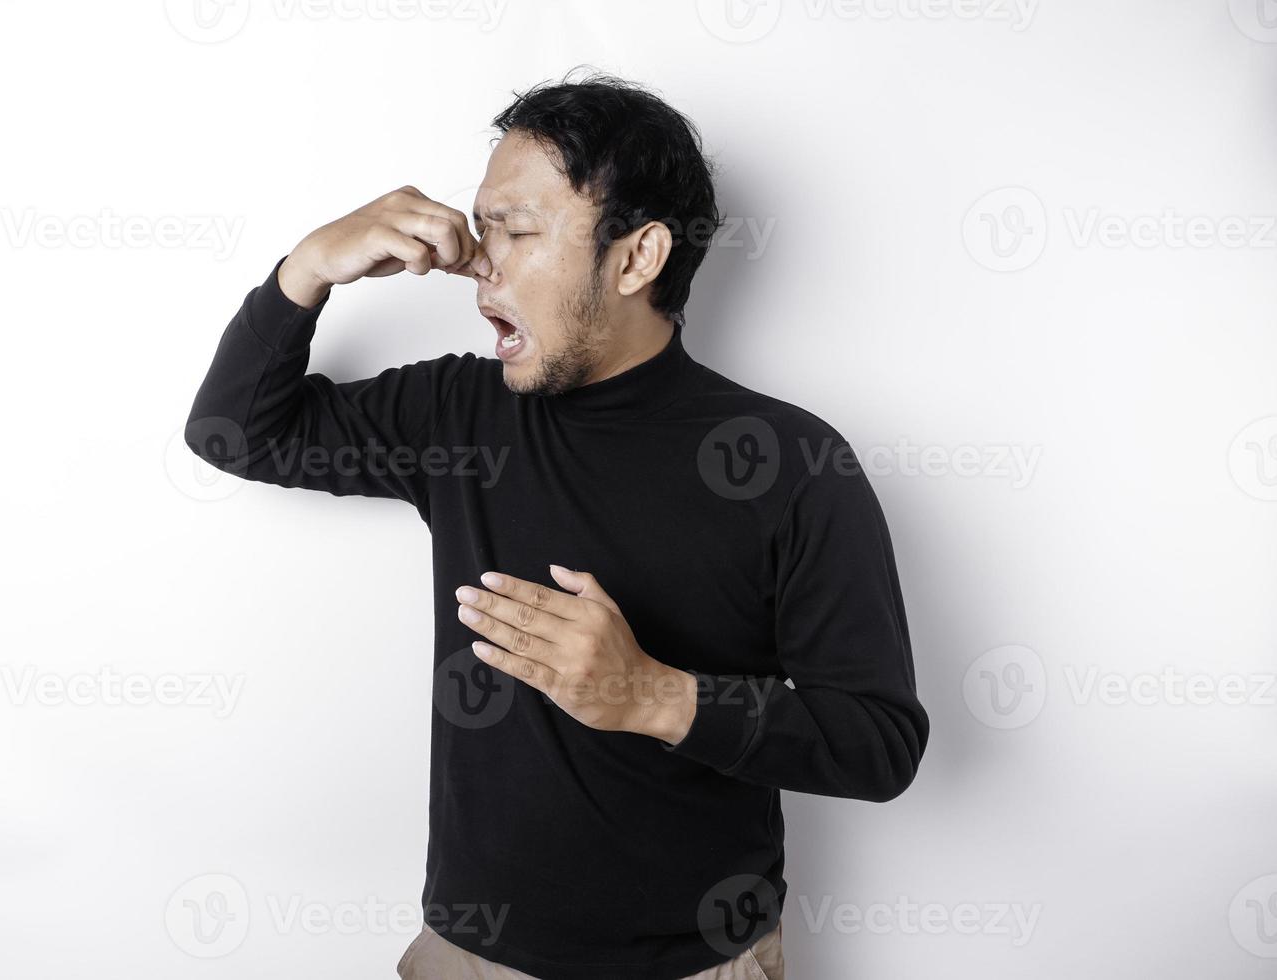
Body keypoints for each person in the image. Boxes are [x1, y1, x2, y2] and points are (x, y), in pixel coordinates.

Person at [185, 70, 928, 980]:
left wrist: (653, 695)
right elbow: (236, 433)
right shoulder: (460, 417)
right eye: (483, 224)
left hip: (699, 963)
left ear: (636, 258)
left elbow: (879, 743)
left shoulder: (790, 464)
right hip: (470, 955)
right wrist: (307, 268)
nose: (480, 263)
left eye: (522, 230)